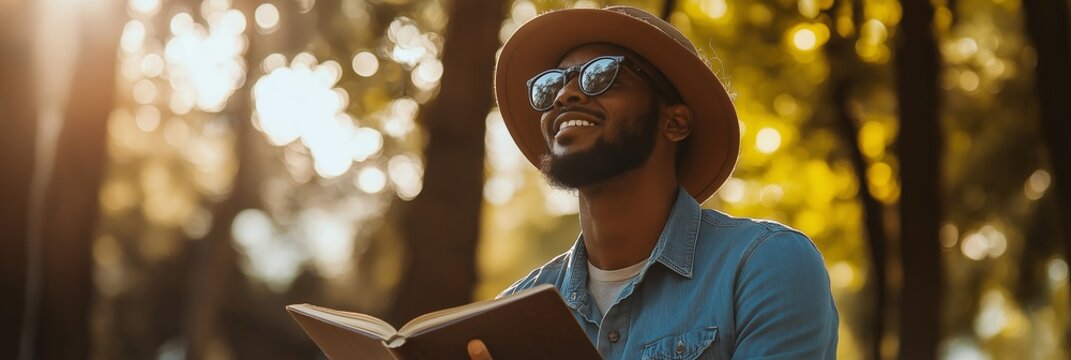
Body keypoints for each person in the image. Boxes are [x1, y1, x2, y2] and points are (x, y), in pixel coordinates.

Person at [469, 6, 838, 359]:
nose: (565, 95)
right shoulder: (512, 313)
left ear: (674, 123)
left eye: (600, 75)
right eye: (551, 86)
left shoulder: (765, 265)